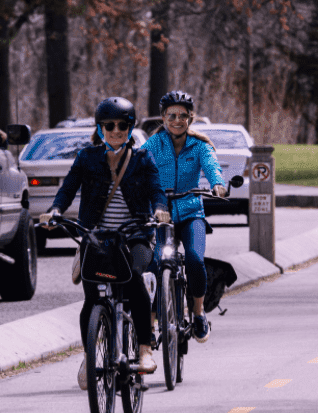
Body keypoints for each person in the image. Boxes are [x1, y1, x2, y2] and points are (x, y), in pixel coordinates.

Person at [40, 97, 168, 389]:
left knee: (134, 278)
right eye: (108, 126)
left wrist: (160, 209)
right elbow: (68, 188)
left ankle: (145, 350)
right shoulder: (87, 158)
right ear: (99, 128)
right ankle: (89, 354)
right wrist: (56, 211)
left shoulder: (142, 159)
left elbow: (156, 190)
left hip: (134, 235)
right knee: (93, 299)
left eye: (122, 126)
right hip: (96, 238)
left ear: (130, 128)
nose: (115, 131)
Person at [142, 90, 226, 343]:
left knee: (194, 260)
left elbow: (212, 166)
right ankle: (155, 318)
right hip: (161, 215)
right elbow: (139, 167)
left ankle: (198, 314)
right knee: (155, 263)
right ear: (163, 117)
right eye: (171, 115)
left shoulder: (200, 145)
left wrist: (218, 184)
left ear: (191, 117)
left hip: (191, 213)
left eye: (182, 115)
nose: (177, 120)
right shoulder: (153, 144)